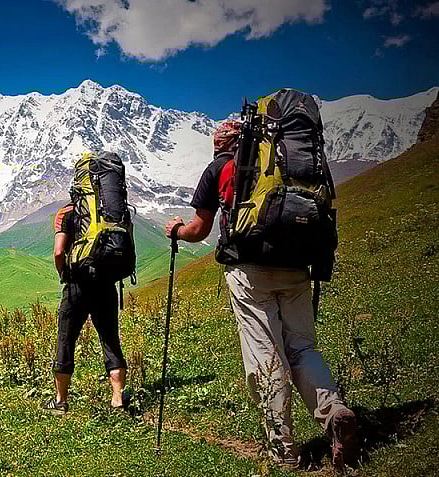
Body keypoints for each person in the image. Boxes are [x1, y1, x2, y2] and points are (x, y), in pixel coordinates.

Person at [164, 120, 358, 469]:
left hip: (250, 271)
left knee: (265, 356)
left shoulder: (222, 167)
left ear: (220, 143)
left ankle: (283, 449)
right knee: (302, 348)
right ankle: (334, 412)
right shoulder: (288, 165)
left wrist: (176, 229)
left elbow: (199, 229)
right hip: (297, 267)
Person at [41, 202, 128, 415]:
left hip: (76, 285)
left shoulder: (67, 211)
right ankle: (118, 398)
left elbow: (59, 252)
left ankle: (61, 401)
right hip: (106, 284)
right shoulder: (110, 209)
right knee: (110, 340)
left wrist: (65, 275)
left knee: (66, 340)